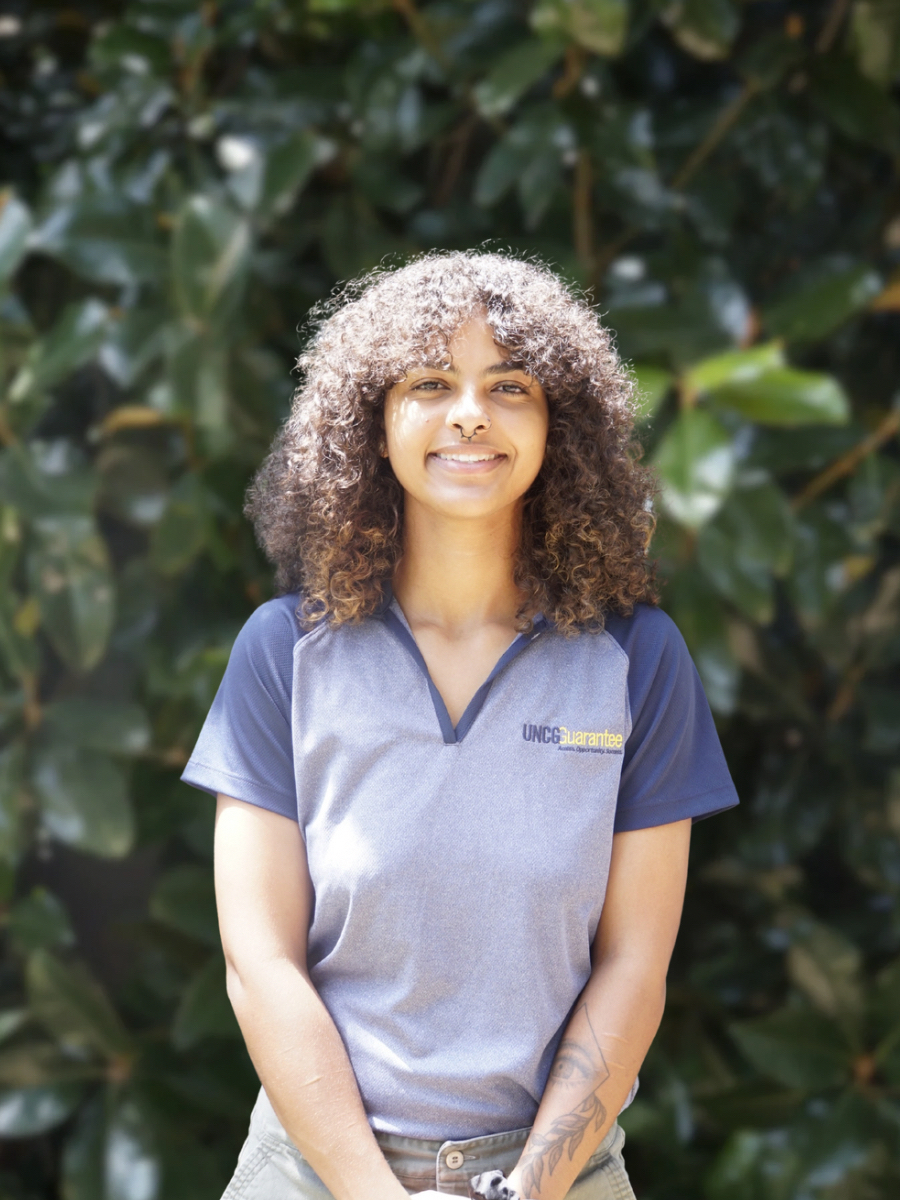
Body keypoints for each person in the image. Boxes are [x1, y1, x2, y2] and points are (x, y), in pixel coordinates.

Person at [181, 251, 739, 1200]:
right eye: (431, 384)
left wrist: (528, 1188)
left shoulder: (637, 659)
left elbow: (635, 968)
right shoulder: (283, 652)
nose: (471, 413)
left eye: (509, 386)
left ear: (561, 424)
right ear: (374, 422)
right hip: (315, 1173)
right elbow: (260, 962)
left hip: (557, 1176)